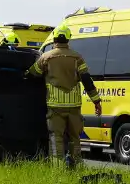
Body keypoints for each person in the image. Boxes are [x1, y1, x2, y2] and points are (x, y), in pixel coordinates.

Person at [27, 26, 102, 167]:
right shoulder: (77, 57)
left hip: (55, 106)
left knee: (56, 138)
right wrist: (96, 101)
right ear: (68, 39)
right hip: (74, 106)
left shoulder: (46, 57)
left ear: (54, 38)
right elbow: (87, 80)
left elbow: (33, 73)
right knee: (74, 137)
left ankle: (58, 169)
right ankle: (77, 166)